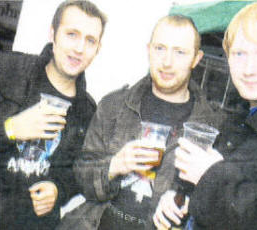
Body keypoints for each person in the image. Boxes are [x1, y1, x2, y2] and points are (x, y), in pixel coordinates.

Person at [154, 1, 257, 229]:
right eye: (239, 53)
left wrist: (212, 178)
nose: (249, 69)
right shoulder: (241, 113)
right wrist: (179, 198)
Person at [57, 15, 225, 230]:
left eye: (180, 52)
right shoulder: (114, 106)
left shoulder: (212, 127)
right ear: (148, 50)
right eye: (160, 48)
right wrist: (114, 166)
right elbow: (81, 177)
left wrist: (186, 205)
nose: (167, 62)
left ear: (196, 58)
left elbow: (218, 207)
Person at [0, 1, 107, 229]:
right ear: (52, 34)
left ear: (98, 49)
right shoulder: (8, 71)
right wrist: (10, 129)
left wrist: (59, 190)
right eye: (71, 34)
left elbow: (78, 173)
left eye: (90, 40)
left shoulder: (88, 112)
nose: (79, 48)